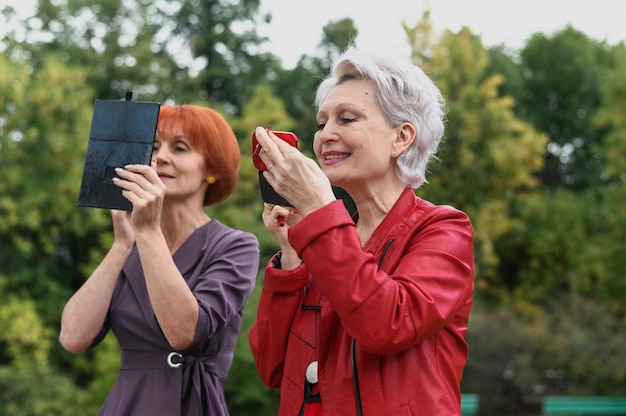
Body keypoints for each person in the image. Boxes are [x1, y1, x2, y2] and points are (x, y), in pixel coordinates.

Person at [248, 48, 474, 415]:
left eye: (347, 119)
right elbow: (273, 367)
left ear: (401, 137)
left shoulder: (444, 229)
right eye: (322, 123)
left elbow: (387, 326)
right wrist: (291, 255)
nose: (325, 136)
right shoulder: (322, 238)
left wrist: (321, 211)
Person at [60, 104, 260, 416]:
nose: (160, 157)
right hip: (125, 405)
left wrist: (147, 231)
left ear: (212, 169)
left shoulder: (235, 246)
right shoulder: (132, 244)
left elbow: (183, 333)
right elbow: (73, 337)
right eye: (154, 147)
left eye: (179, 148)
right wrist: (123, 244)